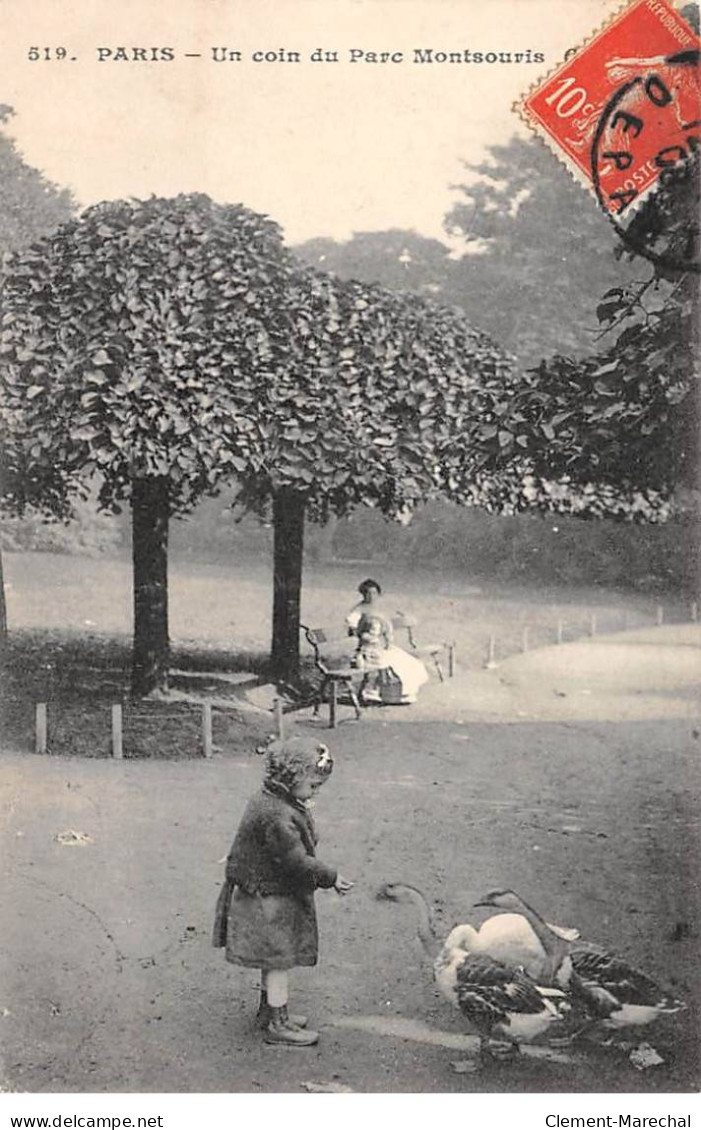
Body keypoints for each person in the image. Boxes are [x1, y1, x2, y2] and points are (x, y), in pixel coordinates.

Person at [212, 735, 353, 1047]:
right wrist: (331, 877)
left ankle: (269, 1011)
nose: (316, 793)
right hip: (268, 899)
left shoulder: (272, 799)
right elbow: (295, 860)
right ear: (290, 778)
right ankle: (278, 1022)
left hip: (260, 890)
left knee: (272, 958)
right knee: (278, 960)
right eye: (313, 785)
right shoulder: (278, 814)